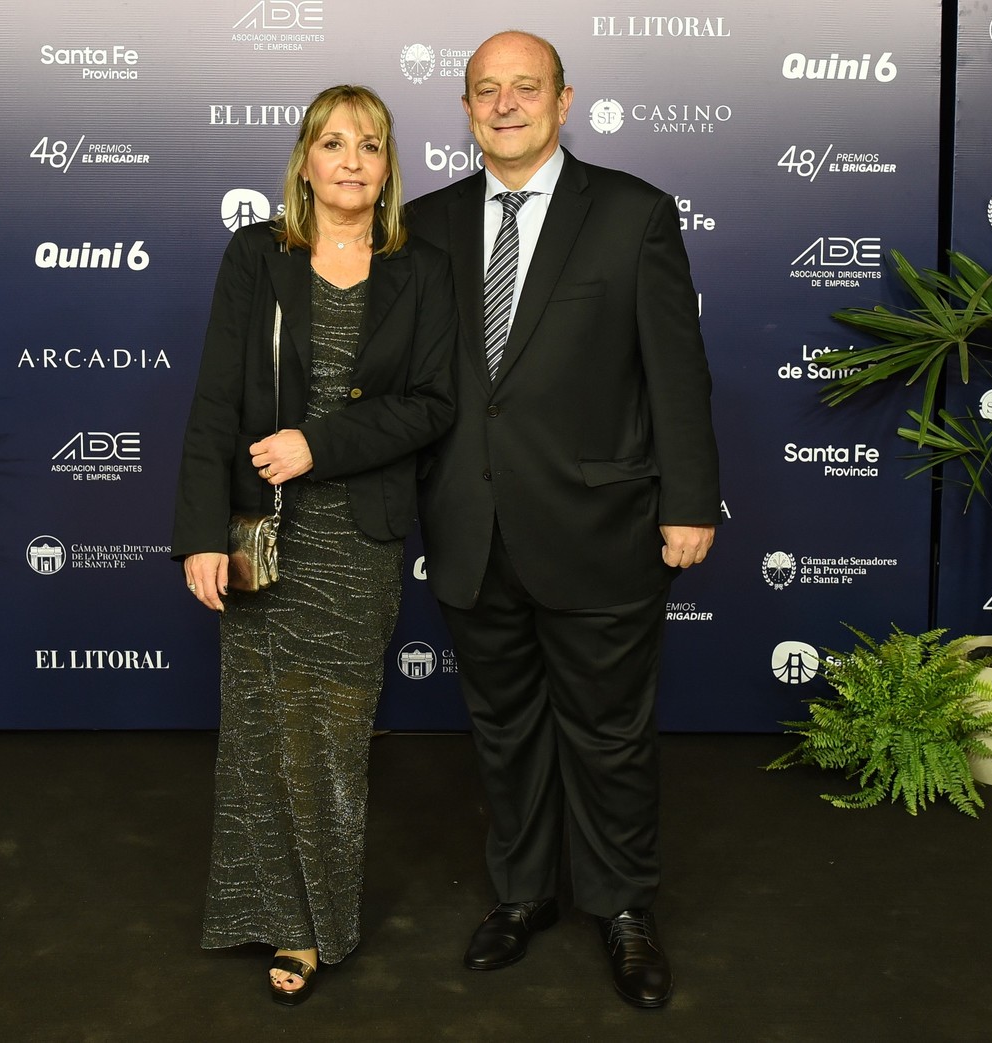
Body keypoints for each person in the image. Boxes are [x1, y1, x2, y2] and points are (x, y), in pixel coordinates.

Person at [406, 31, 722, 1008]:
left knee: (607, 732)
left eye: (524, 87)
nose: (505, 104)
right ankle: (520, 893)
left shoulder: (630, 214)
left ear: (563, 99)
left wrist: (687, 499)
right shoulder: (420, 224)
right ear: (464, 108)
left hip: (601, 527)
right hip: (470, 528)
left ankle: (622, 906)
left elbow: (674, 370)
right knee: (502, 729)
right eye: (485, 90)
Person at [172, 83, 456, 1006]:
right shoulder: (259, 256)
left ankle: (320, 921)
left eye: (368, 145)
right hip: (263, 532)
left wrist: (316, 444)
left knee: (327, 743)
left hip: (357, 538)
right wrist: (199, 534)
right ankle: (271, 917)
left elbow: (429, 407)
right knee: (258, 736)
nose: (350, 161)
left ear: (387, 165)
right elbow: (217, 399)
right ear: (303, 161)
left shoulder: (419, 269)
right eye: (331, 144)